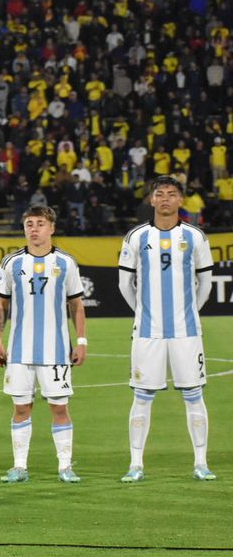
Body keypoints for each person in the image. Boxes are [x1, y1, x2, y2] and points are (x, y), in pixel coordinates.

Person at [117, 176, 215, 482]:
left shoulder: (195, 237)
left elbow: (205, 283)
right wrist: (144, 313)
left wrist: (189, 313)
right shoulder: (136, 237)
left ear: (181, 200)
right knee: (142, 396)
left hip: (186, 332)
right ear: (151, 200)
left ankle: (201, 462)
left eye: (172, 194)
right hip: (148, 333)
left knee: (194, 394)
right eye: (159, 194)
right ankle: (136, 464)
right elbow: (125, 285)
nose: (165, 199)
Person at [0, 206, 87, 484]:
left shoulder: (66, 262)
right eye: (29, 224)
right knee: (21, 408)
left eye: (40, 224)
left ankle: (65, 467)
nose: (34, 229)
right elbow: (1, 305)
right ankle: (19, 467)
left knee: (59, 408)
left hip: (56, 350)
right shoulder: (12, 263)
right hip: (19, 351)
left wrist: (81, 341)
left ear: (52, 228)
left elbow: (77, 305)